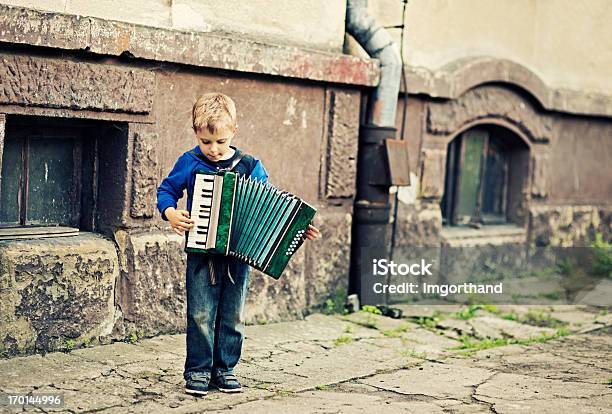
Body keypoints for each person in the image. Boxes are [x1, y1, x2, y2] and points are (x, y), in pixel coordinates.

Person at [157, 92, 320, 396]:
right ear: (196, 133)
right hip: (202, 255)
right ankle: (198, 370)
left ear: (234, 131)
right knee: (200, 313)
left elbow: (272, 209)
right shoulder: (190, 162)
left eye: (220, 141)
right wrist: (171, 213)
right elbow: (166, 191)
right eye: (206, 142)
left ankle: (225, 369)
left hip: (238, 259)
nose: (214, 149)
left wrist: (298, 230)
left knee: (233, 314)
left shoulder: (250, 166)